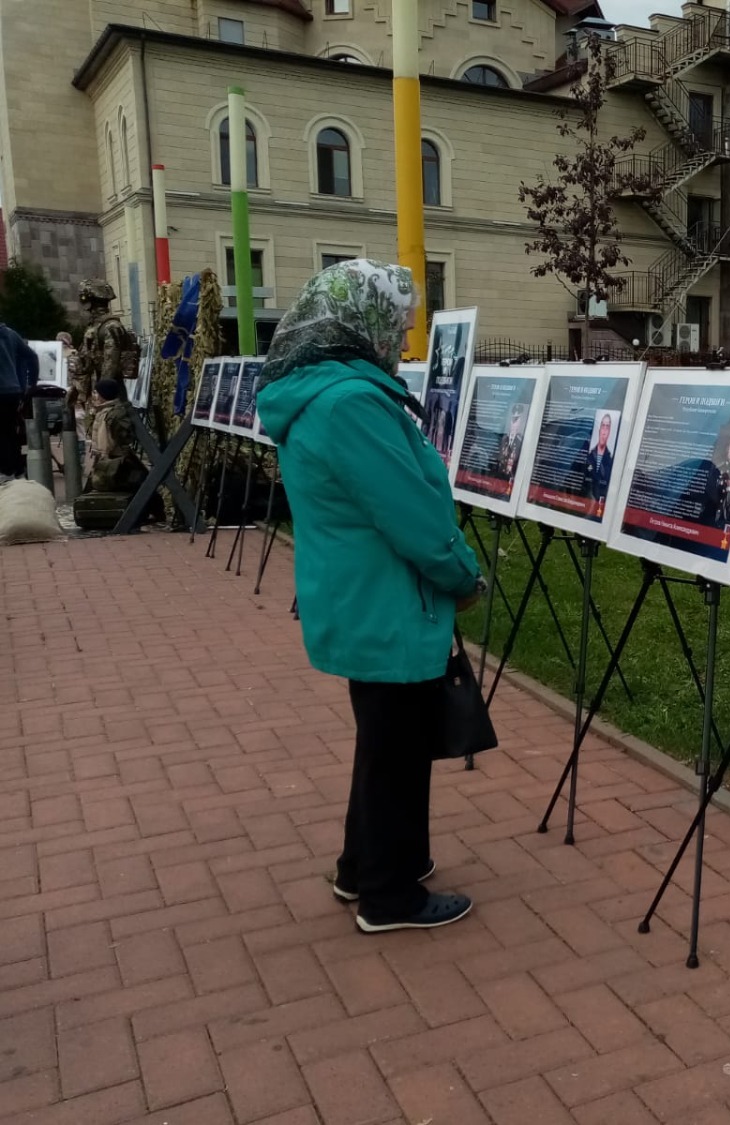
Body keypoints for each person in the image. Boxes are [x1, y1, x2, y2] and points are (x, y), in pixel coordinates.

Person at [256, 259, 484, 934]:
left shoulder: (322, 391)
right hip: (387, 602)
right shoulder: (351, 402)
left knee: (385, 741)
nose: (403, 337)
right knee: (396, 750)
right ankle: (390, 897)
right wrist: (462, 576)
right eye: (397, 323)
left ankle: (366, 866)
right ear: (362, 322)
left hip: (360, 597)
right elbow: (410, 512)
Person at [72, 279, 140, 430]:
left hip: (110, 392)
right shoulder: (95, 326)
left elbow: (110, 364)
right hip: (98, 388)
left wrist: (102, 394)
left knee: (112, 432)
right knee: (99, 432)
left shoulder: (110, 327)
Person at [83, 379, 146, 494]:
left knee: (99, 486)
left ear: (104, 394)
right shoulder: (105, 411)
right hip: (111, 460)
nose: (94, 396)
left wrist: (104, 457)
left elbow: (109, 442)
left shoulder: (110, 414)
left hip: (113, 461)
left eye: (96, 393)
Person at [0, 321, 38, 479]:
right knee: (9, 431)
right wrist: (30, 385)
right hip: (12, 390)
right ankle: (16, 469)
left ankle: (6, 471)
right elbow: (32, 357)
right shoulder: (10, 334)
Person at [583, 412, 614, 515]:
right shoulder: (586, 452)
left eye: (607, 427)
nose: (604, 430)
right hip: (583, 505)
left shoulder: (611, 459)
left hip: (601, 508)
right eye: (603, 426)